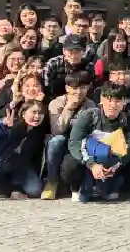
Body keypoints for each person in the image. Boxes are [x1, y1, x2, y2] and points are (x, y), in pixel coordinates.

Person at [61, 84, 130, 202]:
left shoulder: (127, 120)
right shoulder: (89, 116)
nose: (113, 105)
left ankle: (113, 185)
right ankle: (76, 187)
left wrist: (118, 163)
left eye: (118, 101)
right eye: (109, 100)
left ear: (124, 102)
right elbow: (75, 142)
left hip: (112, 160)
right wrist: (91, 164)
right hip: (87, 158)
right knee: (69, 165)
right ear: (102, 100)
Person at [42, 71, 97, 199]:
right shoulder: (56, 103)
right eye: (74, 88)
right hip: (60, 141)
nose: (78, 92)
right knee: (57, 141)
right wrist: (68, 108)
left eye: (82, 88)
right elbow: (57, 130)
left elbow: (90, 131)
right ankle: (52, 181)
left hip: (78, 141)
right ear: (67, 88)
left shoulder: (90, 105)